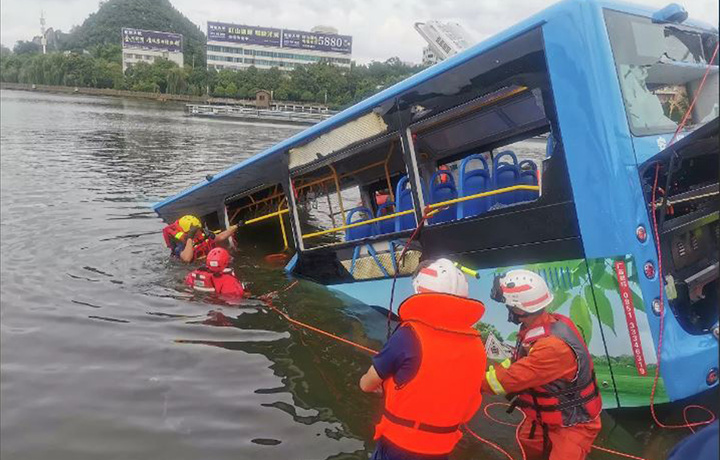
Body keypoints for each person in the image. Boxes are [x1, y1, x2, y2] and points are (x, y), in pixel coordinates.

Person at [359, 258, 487, 460]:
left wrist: (379, 384)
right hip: (441, 448)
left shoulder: (408, 335)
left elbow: (367, 384)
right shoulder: (477, 345)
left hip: (398, 446)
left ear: (420, 290)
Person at [483, 269, 602, 460]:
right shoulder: (542, 327)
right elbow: (517, 363)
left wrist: (471, 381)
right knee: (527, 446)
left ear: (519, 310)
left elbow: (508, 380)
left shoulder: (551, 348)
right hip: (544, 419)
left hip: (572, 425)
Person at [162, 214, 239, 263]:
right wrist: (190, 238)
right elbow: (187, 259)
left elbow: (219, 237)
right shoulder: (180, 243)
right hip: (190, 268)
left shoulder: (202, 232)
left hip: (205, 260)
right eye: (195, 231)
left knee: (230, 259)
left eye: (198, 229)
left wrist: (236, 226)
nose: (199, 232)